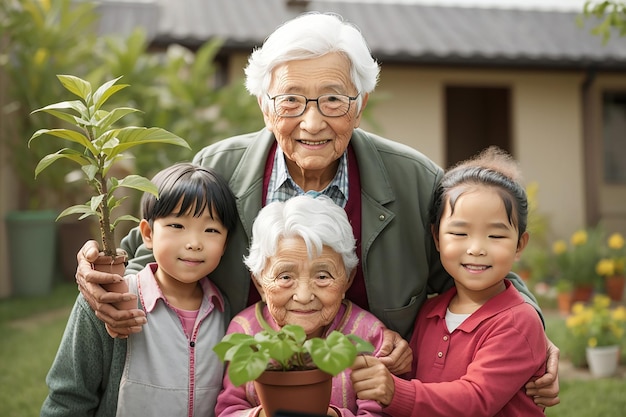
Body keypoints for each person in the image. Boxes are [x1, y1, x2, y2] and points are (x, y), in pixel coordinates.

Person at [73, 11, 559, 405]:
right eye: (290, 100)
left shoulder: (414, 179)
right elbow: (150, 250)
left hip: (371, 397)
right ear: (265, 106)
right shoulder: (217, 166)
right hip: (245, 392)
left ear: (360, 102)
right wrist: (99, 275)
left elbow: (471, 257)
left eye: (333, 99)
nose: (312, 122)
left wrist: (530, 329)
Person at [350, 147, 548, 416]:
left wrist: (395, 391)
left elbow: (475, 399)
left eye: (496, 236)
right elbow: (414, 378)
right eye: (459, 233)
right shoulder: (431, 312)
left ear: (519, 245)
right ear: (436, 238)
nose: (477, 248)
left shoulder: (517, 322)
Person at [41, 163, 238, 417]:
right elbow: (68, 400)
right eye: (177, 226)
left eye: (211, 230)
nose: (194, 243)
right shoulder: (110, 302)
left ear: (225, 243)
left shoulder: (224, 310)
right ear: (147, 233)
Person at [217, 195, 387, 417]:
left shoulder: (371, 334)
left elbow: (383, 412)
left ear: (347, 279)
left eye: (323, 276)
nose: (304, 296)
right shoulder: (245, 329)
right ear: (259, 283)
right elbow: (228, 411)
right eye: (285, 277)